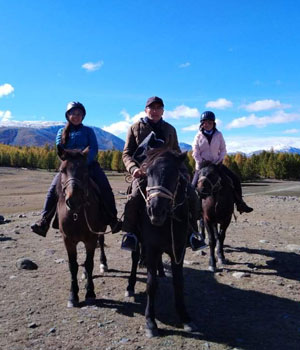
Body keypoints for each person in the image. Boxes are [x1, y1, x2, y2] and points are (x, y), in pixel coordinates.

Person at [121, 96, 207, 251]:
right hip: (144, 173)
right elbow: (127, 154)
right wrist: (134, 169)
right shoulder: (135, 128)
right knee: (133, 198)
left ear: (163, 111)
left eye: (158, 108)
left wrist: (183, 171)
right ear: (146, 110)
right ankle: (130, 234)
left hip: (167, 174)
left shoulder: (170, 129)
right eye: (151, 108)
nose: (155, 111)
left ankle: (192, 233)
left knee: (191, 195)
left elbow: (176, 153)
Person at [31, 101, 122, 237]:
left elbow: (94, 149)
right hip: (68, 169)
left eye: (79, 114)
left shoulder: (88, 131)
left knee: (105, 188)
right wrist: (69, 163)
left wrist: (83, 163)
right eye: (73, 113)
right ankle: (44, 222)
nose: (76, 116)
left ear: (83, 116)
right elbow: (60, 150)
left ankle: (112, 219)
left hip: (88, 166)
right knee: (52, 191)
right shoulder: (61, 132)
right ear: (68, 115)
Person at [192, 110, 253, 214]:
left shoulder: (219, 135)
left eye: (209, 122)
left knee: (235, 179)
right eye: (205, 122)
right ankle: (194, 210)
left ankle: (240, 204)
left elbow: (223, 149)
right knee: (192, 186)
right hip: (202, 167)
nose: (207, 124)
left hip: (217, 165)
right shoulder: (198, 136)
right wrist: (201, 162)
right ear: (201, 123)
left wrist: (219, 160)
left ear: (213, 123)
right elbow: (195, 151)